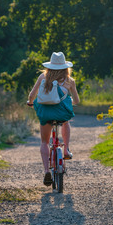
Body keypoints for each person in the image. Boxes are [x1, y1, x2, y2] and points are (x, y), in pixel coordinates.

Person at [27, 52, 80, 186]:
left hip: (46, 114)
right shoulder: (69, 80)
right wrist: (69, 102)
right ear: (65, 67)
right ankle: (66, 149)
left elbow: (32, 95)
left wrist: (30, 101)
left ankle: (46, 171)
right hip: (61, 114)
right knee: (66, 121)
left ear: (50, 66)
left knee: (44, 142)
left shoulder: (43, 77)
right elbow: (77, 101)